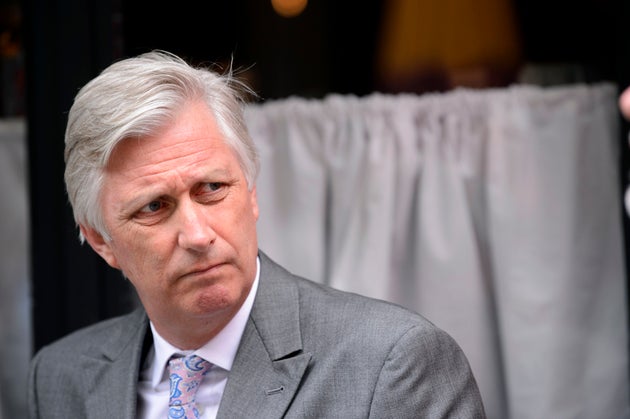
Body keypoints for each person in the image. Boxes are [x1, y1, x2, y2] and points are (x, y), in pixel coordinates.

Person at [28, 50, 486, 418]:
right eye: (154, 206)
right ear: (103, 241)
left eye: (212, 188)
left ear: (250, 195)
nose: (197, 234)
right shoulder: (58, 377)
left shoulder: (392, 363)